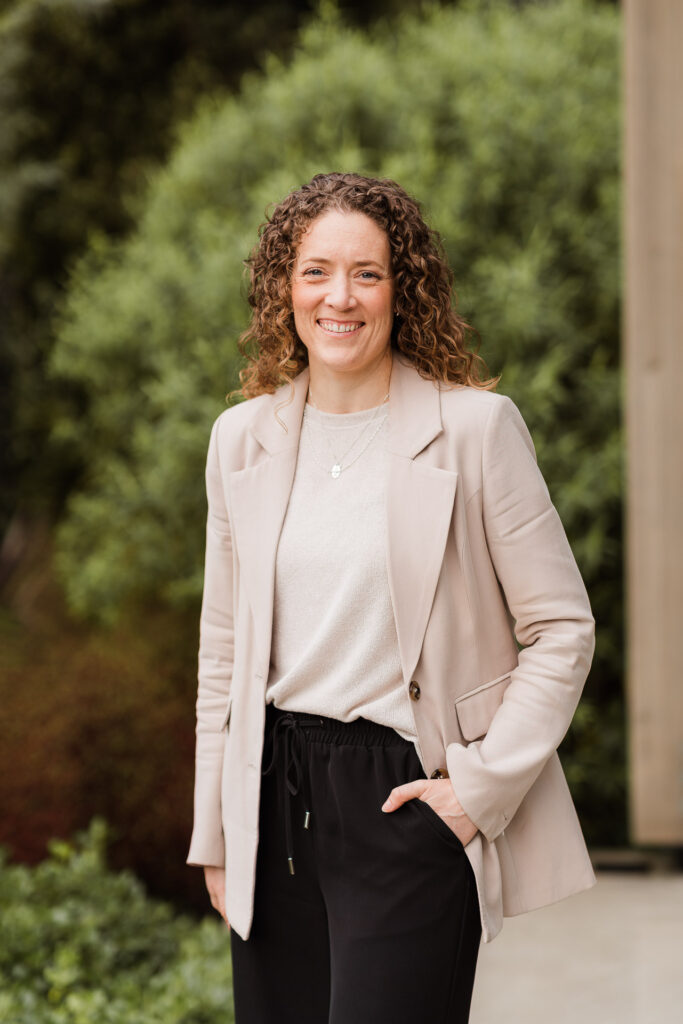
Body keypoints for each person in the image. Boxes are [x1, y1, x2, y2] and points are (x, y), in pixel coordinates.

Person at [186, 171, 596, 1024]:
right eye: (315, 272)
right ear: (282, 289)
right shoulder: (240, 440)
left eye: (366, 274)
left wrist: (473, 793)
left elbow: (561, 629)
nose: (340, 297)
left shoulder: (476, 432)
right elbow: (222, 654)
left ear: (400, 289)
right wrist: (216, 834)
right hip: (271, 802)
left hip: (403, 798)